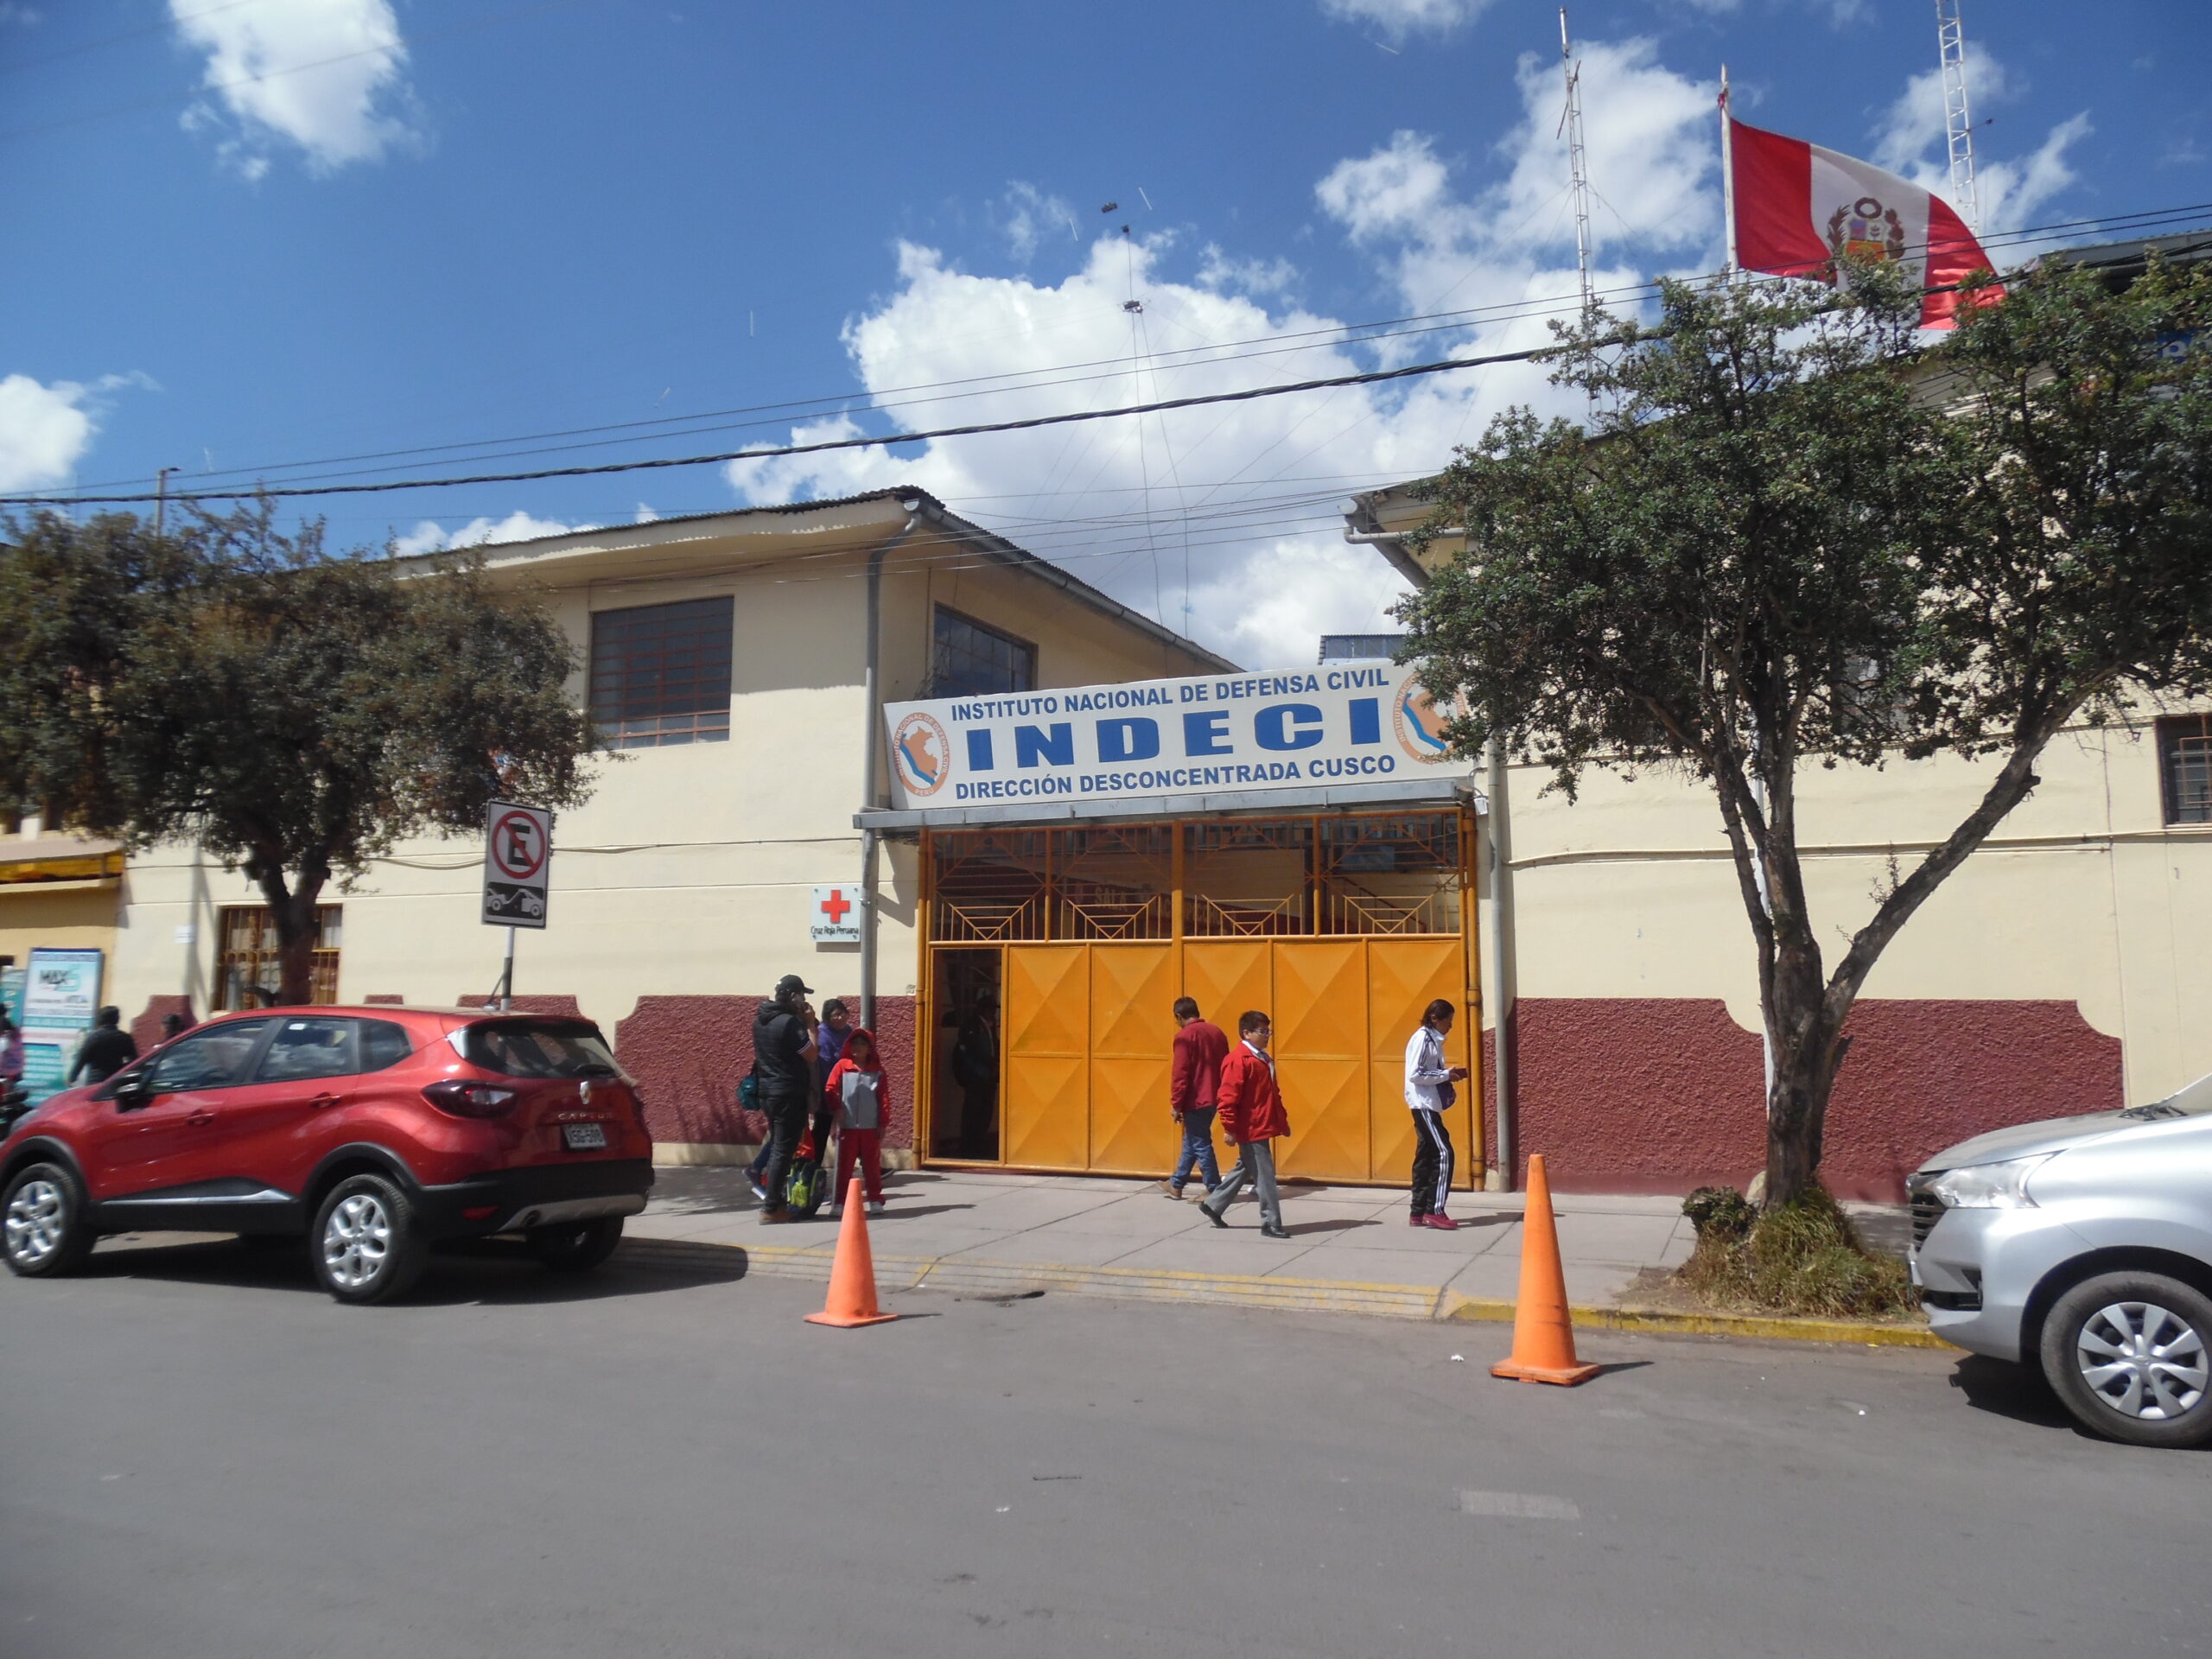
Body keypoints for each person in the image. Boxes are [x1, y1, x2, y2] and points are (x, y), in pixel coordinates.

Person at [747, 996, 852, 1202]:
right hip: (794, 1092)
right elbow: (812, 1057)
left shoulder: (770, 1023)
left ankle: (766, 1176)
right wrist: (811, 1026)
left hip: (785, 1091)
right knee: (791, 1141)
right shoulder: (793, 1027)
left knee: (786, 1139)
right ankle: (782, 1189)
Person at [1199, 1011, 1290, 1239]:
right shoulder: (1238, 1060)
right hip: (1251, 1128)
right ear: (1246, 1033)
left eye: (1268, 1031)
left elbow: (1271, 1094)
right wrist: (1229, 1128)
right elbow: (1227, 1098)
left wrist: (1280, 1118)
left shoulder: (1262, 1058)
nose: (1267, 1035)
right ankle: (1270, 1222)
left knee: (1246, 1167)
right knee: (1265, 1176)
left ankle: (1213, 1205)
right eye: (1262, 1031)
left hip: (1261, 1124)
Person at [751, 975, 818, 1224]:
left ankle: (775, 1201)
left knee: (779, 1146)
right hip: (788, 1092)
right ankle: (771, 1207)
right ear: (792, 996)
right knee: (783, 1150)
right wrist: (810, 1025)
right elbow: (811, 1054)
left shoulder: (760, 1020)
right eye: (801, 995)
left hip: (768, 1092)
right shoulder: (789, 1023)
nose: (803, 1000)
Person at [1405, 997, 1471, 1230]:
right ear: (1435, 1018)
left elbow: (1426, 1071)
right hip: (1423, 1104)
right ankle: (1435, 1210)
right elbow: (1415, 1074)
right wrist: (1445, 1075)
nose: (1450, 1026)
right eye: (1448, 1021)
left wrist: (1446, 1074)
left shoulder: (1433, 1040)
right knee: (1444, 1153)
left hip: (1428, 1103)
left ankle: (1418, 1211)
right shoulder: (1423, 1038)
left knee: (1426, 1156)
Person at [1164, 996, 1228, 1200]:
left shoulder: (1185, 1036)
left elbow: (1181, 1073)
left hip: (1196, 1098)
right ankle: (1176, 1183)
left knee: (1200, 1142)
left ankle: (1214, 1188)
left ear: (1178, 1016)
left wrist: (1176, 1104)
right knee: (1192, 1140)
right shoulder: (1217, 1032)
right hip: (1216, 1095)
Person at [825, 1026, 889, 1217]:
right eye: (854, 1043)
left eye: (862, 1044)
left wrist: (882, 1123)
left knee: (872, 1166)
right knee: (844, 1166)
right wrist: (837, 1109)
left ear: (870, 1049)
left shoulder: (878, 1071)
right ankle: (839, 1202)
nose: (857, 1047)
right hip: (848, 1126)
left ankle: (875, 1199)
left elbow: (883, 1099)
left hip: (870, 1127)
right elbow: (830, 1089)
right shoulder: (842, 1066)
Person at [950, 988, 999, 1158]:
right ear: (982, 1009)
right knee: (973, 1112)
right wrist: (992, 1063)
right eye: (990, 1009)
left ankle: (979, 1144)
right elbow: (973, 1050)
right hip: (975, 1076)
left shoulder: (990, 1027)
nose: (993, 1013)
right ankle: (969, 1146)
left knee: (985, 1112)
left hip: (988, 1077)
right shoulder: (972, 1026)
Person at [67, 1006, 138, 1086]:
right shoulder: (124, 1037)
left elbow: (81, 1059)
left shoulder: (93, 1037)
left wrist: (72, 1078)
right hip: (116, 1081)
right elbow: (134, 1061)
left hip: (96, 1082)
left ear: (100, 1019)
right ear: (117, 1019)